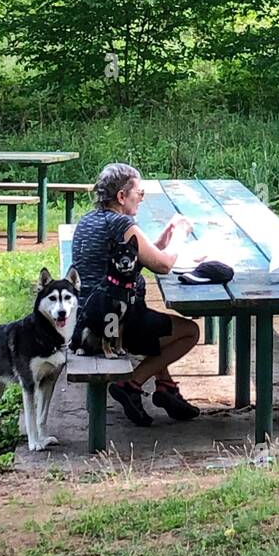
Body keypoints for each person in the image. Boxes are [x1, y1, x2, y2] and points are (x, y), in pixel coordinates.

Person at [71, 162, 201, 426]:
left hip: (88, 318)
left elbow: (134, 259)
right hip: (117, 323)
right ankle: (130, 384)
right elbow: (163, 265)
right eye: (139, 193)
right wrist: (181, 236)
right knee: (189, 332)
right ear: (121, 196)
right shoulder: (120, 224)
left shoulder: (88, 220)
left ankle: (166, 389)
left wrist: (164, 238)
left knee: (156, 326)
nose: (141, 199)